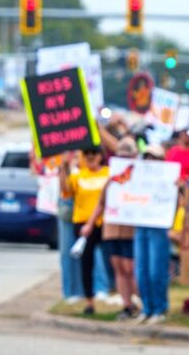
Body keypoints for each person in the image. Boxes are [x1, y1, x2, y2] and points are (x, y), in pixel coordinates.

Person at [83, 137, 141, 319]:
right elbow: (101, 203)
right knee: (118, 267)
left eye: (127, 156)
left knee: (130, 267)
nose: (124, 159)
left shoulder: (141, 177)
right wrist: (90, 223)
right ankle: (127, 305)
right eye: (121, 156)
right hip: (112, 227)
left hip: (131, 228)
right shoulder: (112, 178)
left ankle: (140, 302)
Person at [60, 148, 110, 315]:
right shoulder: (79, 176)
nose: (90, 158)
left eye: (93, 154)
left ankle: (114, 292)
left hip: (105, 223)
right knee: (86, 262)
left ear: (100, 156)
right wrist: (64, 167)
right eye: (86, 155)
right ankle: (89, 301)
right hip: (83, 225)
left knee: (114, 260)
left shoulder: (108, 173)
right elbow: (66, 191)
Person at [133, 144, 172, 324]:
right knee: (141, 270)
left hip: (159, 226)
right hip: (141, 224)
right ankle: (147, 308)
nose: (150, 161)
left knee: (156, 270)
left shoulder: (169, 178)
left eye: (154, 158)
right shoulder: (138, 177)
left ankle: (159, 308)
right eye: (147, 157)